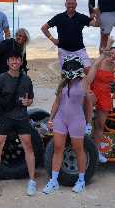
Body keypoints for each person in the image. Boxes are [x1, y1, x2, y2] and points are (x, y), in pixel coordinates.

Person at [42, 56, 100, 195]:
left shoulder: (84, 82)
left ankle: (81, 181)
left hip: (76, 120)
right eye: (68, 67)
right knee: (58, 148)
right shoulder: (63, 84)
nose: (70, 69)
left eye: (72, 67)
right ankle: (54, 181)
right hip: (60, 119)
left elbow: (88, 104)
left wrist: (88, 122)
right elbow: (57, 103)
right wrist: (51, 118)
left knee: (78, 149)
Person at [0, 50, 36, 197]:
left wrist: (28, 102)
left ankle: (32, 181)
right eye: (12, 59)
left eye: (17, 59)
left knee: (28, 146)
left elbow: (31, 98)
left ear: (21, 62)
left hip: (21, 116)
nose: (15, 62)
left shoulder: (26, 79)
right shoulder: (1, 78)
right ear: (8, 62)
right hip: (4, 116)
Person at [41, 0, 96, 71]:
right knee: (66, 75)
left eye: (72, 4)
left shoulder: (81, 17)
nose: (71, 6)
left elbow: (96, 24)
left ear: (76, 5)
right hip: (64, 51)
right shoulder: (59, 17)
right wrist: (53, 39)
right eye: (69, 4)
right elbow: (44, 28)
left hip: (79, 50)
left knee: (88, 70)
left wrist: (96, 15)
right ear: (65, 4)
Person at [89, 40, 115, 163]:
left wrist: (114, 95)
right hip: (94, 92)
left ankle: (97, 152)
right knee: (87, 121)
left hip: (105, 96)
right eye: (112, 53)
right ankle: (85, 146)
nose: (113, 56)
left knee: (100, 125)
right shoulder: (100, 61)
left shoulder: (113, 65)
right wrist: (108, 44)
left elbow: (113, 81)